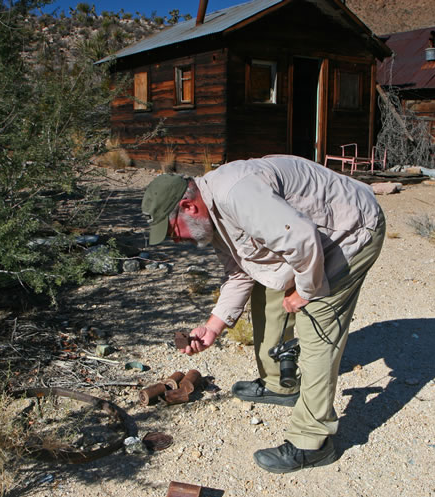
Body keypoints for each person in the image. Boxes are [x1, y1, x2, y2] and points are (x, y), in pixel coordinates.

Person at [141, 155, 385, 473]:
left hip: (349, 230)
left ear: (189, 208)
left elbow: (301, 238)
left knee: (317, 328)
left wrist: (305, 291)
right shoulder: (212, 219)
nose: (176, 240)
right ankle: (280, 385)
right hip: (307, 240)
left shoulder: (236, 194)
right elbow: (241, 272)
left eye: (173, 232)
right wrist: (214, 326)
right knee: (267, 297)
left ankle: (314, 442)